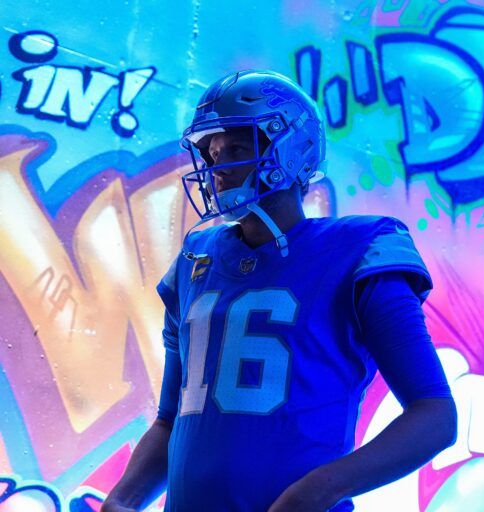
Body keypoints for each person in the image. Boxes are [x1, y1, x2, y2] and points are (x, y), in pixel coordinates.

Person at [101, 70, 457, 512]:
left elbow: (434, 416)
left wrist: (315, 491)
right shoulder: (194, 262)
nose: (217, 169)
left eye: (236, 149)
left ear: (290, 148)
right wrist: (123, 499)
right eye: (212, 154)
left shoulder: (361, 250)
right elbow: (170, 421)